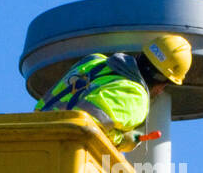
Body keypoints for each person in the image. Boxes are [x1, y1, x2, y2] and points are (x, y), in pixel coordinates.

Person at [34, 35, 191, 151]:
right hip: (60, 153)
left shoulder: (93, 62)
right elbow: (83, 124)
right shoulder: (135, 96)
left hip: (29, 139)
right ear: (161, 80)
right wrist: (121, 140)